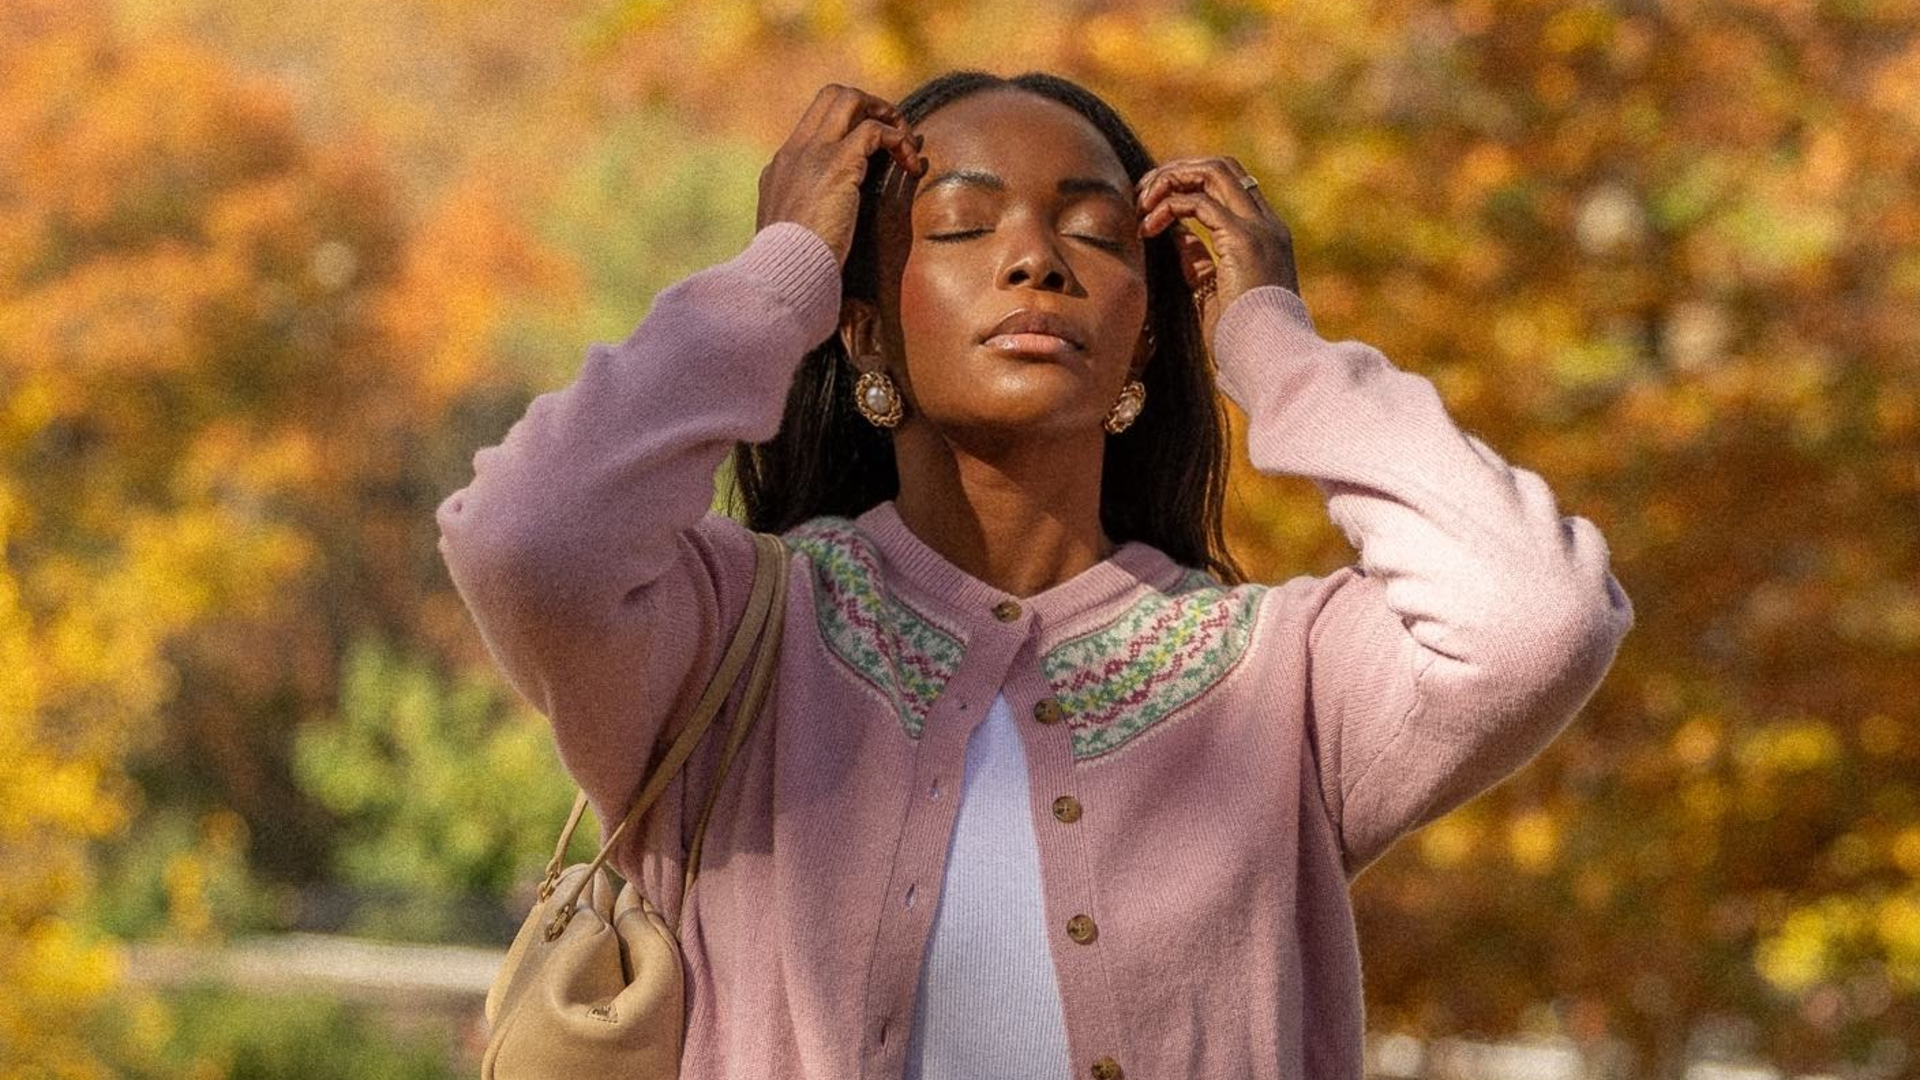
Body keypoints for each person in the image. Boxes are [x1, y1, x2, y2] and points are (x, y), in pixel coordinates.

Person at [437, 70, 1634, 1080]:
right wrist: (781, 271)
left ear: (1146, 338)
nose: (1034, 260)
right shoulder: (726, 632)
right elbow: (526, 537)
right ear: (859, 327)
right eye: (960, 227)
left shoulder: (1289, 683)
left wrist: (1274, 343)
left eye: (1096, 235)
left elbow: (1538, 612)